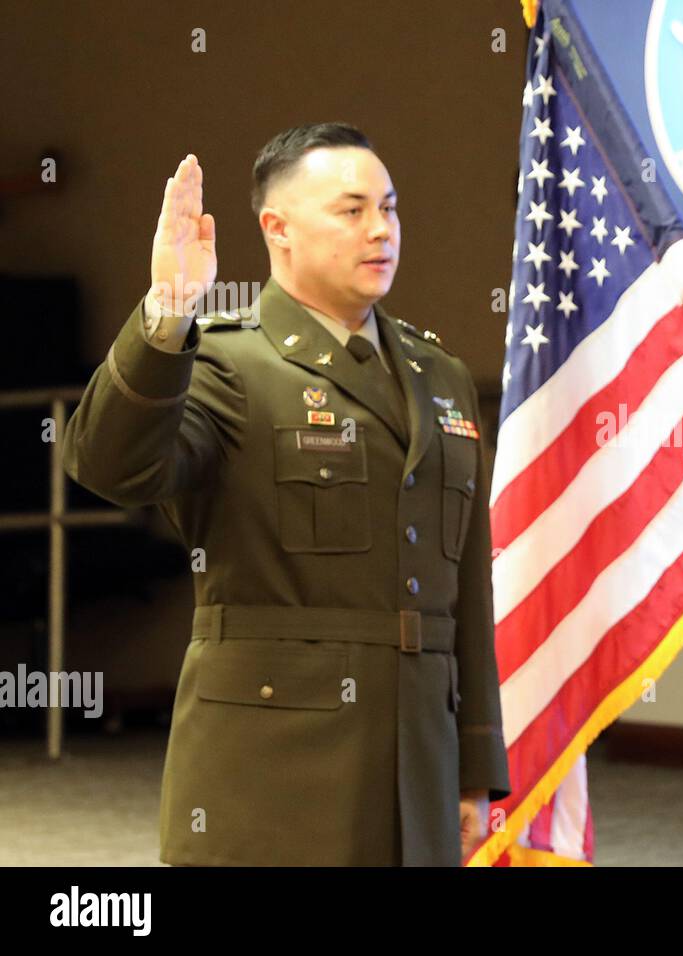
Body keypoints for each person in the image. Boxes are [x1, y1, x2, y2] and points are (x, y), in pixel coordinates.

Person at [63, 123, 510, 866]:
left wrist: (474, 765)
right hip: (272, 770)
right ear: (279, 229)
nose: (381, 229)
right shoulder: (226, 363)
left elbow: (465, 589)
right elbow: (109, 466)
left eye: (389, 208)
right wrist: (168, 310)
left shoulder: (441, 377)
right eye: (351, 210)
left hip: (417, 765)